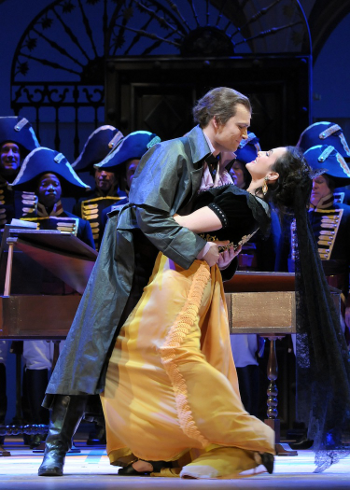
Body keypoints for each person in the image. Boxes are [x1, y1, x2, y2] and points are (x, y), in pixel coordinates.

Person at [38, 86, 252, 477]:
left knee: (152, 361)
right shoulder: (174, 151)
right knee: (92, 348)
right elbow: (149, 214)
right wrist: (201, 251)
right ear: (216, 122)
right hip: (131, 262)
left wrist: (223, 253)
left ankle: (152, 451)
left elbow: (211, 225)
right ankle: (56, 446)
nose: (245, 134)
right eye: (240, 126)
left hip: (167, 267)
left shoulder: (216, 168)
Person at [10, 147, 95, 448]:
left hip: (68, 305)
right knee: (36, 363)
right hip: (35, 302)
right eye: (44, 183)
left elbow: (91, 266)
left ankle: (63, 433)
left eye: (55, 184)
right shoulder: (22, 225)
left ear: (62, 190)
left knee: (66, 367)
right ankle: (35, 428)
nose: (50, 188)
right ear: (36, 189)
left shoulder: (80, 225)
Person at [72, 125, 126, 250]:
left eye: (108, 170)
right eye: (99, 169)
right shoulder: (81, 206)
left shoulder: (126, 200)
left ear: (116, 173)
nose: (103, 175)